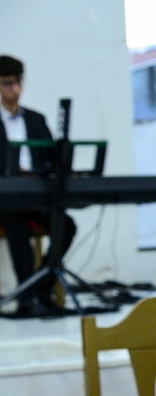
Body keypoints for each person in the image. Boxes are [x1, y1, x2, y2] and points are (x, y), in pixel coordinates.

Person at [0, 54, 77, 312]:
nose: (15, 89)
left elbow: (51, 158)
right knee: (16, 222)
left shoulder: (35, 119)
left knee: (65, 225)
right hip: (5, 200)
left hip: (35, 196)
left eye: (18, 82)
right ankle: (26, 298)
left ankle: (40, 287)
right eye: (7, 84)